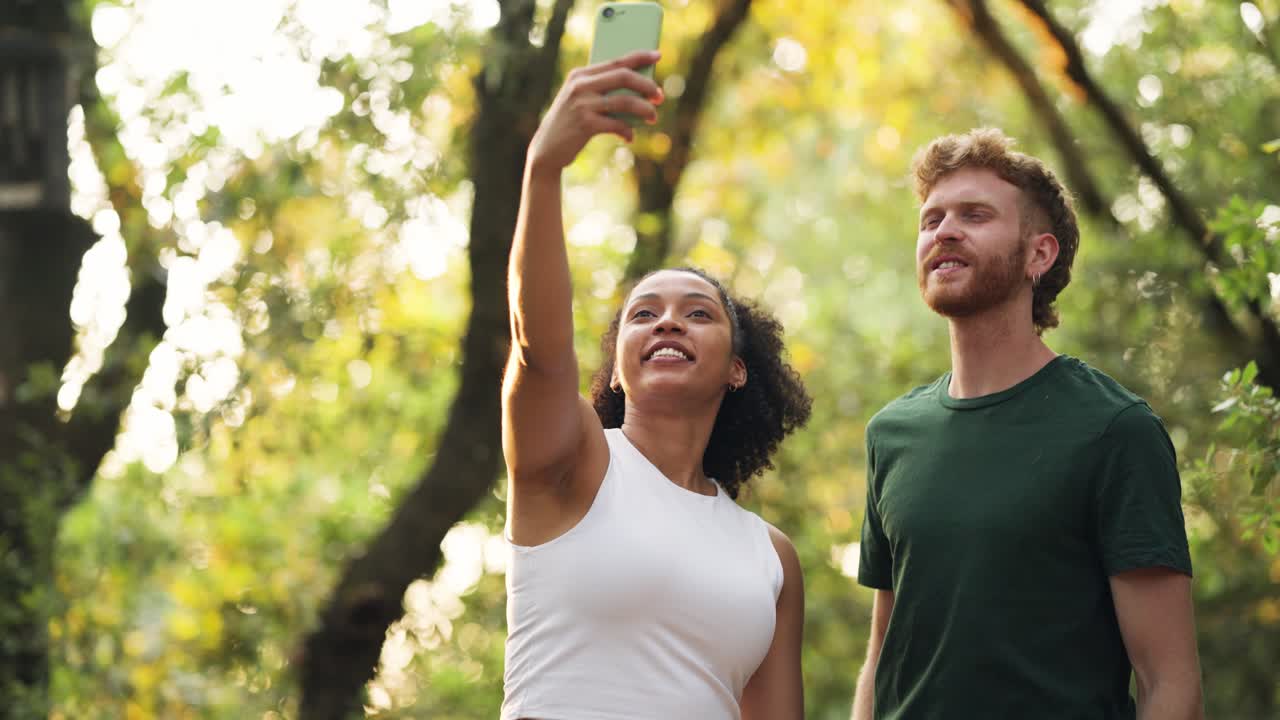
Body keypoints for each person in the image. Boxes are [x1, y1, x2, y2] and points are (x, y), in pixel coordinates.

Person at [501, 50, 811, 720]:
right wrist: (545, 167)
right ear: (616, 367)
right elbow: (540, 348)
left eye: (698, 313)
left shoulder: (771, 557)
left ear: (737, 368)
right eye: (644, 314)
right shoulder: (574, 462)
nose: (668, 321)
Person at [852, 128, 1203, 720]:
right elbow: (884, 650)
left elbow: (1170, 682)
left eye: (975, 215)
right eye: (930, 219)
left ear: (1039, 254)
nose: (944, 231)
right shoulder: (891, 434)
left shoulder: (1113, 430)